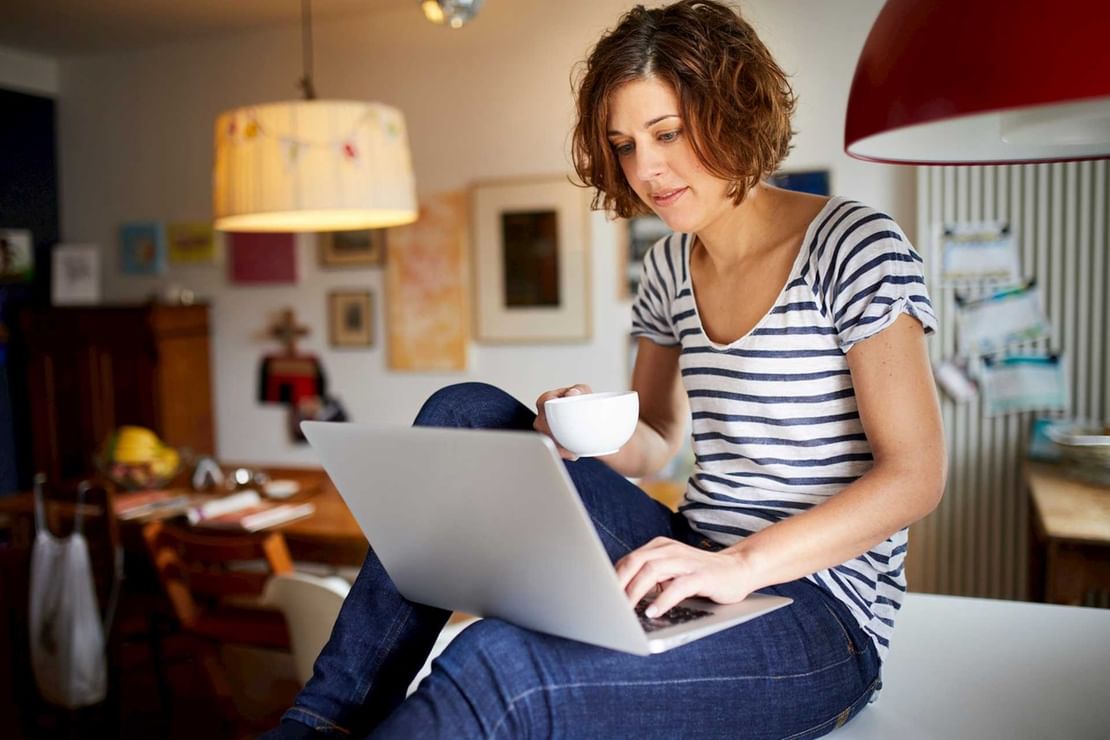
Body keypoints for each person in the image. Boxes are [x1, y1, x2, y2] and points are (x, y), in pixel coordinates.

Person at [265, 1, 946, 737]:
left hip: (820, 617)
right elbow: (655, 438)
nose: (645, 169)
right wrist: (568, 433)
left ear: (734, 111)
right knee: (464, 411)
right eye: (623, 144)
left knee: (498, 663)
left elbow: (915, 474)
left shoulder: (852, 245)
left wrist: (743, 566)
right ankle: (319, 723)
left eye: (666, 133)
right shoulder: (667, 266)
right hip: (695, 559)